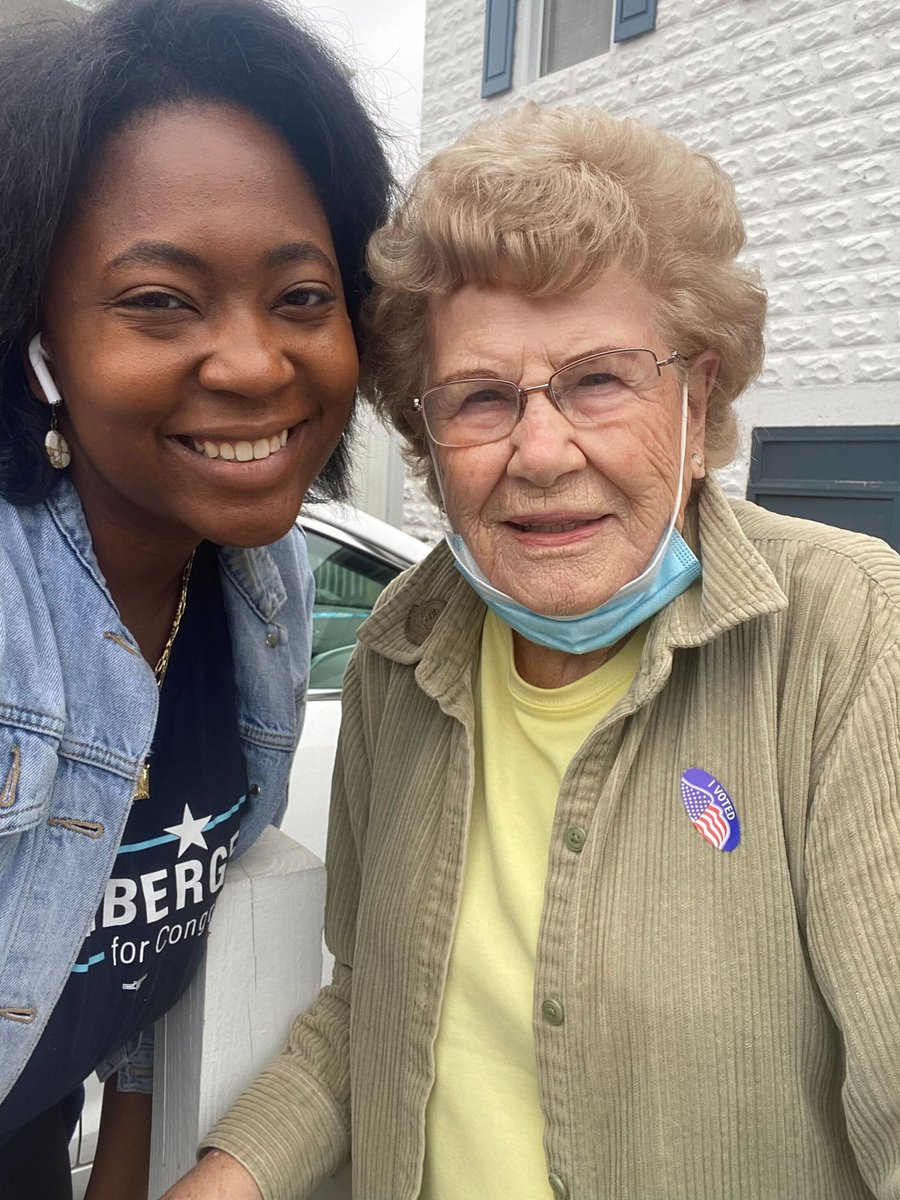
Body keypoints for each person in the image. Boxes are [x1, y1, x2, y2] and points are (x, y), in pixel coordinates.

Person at [167, 106, 900, 1200]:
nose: (542, 451)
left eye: (600, 379)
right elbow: (368, 1008)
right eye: (482, 399)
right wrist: (220, 1181)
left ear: (697, 406)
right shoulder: (398, 659)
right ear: (428, 442)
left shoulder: (850, 644)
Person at [0, 0, 391, 1195]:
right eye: (160, 301)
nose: (255, 362)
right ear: (39, 337)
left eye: (302, 297)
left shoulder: (254, 583)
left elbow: (137, 1002)